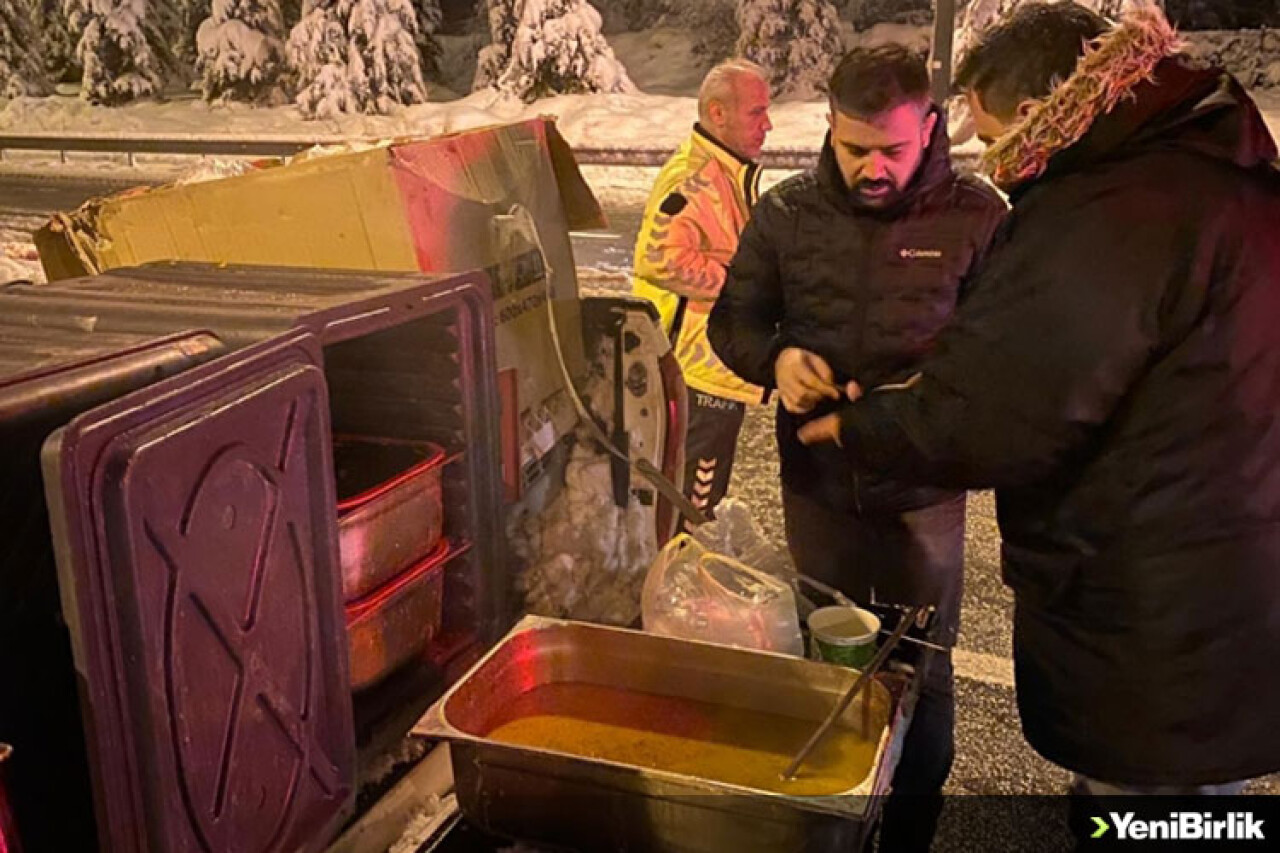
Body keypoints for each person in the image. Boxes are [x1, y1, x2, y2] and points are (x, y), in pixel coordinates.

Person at [797, 0, 1280, 816]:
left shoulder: (1114, 209)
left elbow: (998, 405)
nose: (992, 157)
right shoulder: (1214, 175)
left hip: (1158, 608)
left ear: (1033, 113)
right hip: (1223, 576)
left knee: (1152, 812)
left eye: (989, 136)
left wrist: (866, 423)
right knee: (1186, 804)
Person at [708, 45, 1006, 850]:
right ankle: (831, 827)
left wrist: (938, 397)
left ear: (931, 129)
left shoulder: (978, 217)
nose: (873, 169)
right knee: (824, 668)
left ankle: (908, 832)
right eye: (854, 149)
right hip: (817, 484)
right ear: (829, 131)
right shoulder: (787, 214)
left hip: (923, 494)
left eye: (894, 151)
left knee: (922, 671)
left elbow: (1005, 355)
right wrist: (775, 360)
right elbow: (731, 322)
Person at [632, 58, 773, 518]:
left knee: (699, 503)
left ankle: (686, 577)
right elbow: (658, 259)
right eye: (756, 112)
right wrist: (740, 284)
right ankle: (680, 584)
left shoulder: (725, 172)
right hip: (695, 370)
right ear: (718, 113)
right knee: (692, 511)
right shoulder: (695, 179)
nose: (767, 125)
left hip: (713, 365)